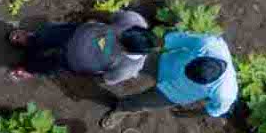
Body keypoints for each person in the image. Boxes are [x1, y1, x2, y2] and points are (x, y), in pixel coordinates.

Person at [102, 28, 238, 122]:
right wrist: (147, 46)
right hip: (163, 62)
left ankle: (120, 109)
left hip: (172, 95)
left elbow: (213, 111)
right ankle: (103, 65)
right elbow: (174, 40)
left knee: (141, 103)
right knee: (130, 62)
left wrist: (187, 114)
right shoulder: (208, 44)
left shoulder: (226, 93)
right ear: (202, 58)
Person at [7, 9, 152, 87]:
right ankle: (33, 39)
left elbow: (106, 79)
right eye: (123, 32)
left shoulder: (129, 68)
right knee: (50, 34)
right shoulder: (134, 21)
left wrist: (84, 70)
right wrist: (85, 14)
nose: (118, 35)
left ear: (128, 50)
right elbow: (108, 15)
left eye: (121, 41)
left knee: (51, 64)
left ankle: (30, 69)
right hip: (77, 32)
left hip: (74, 61)